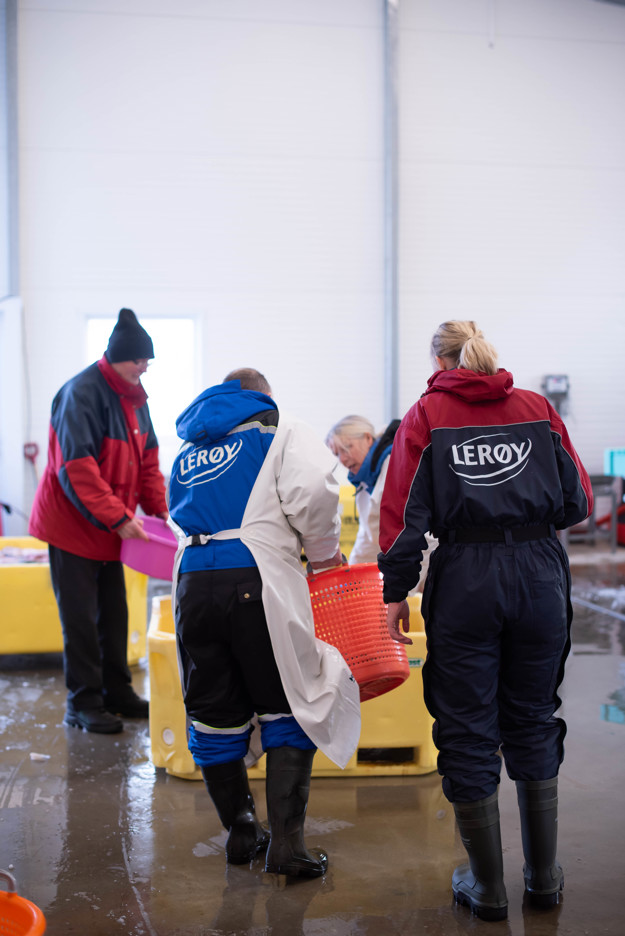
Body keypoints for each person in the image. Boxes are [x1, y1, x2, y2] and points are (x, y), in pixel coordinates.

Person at [377, 321, 593, 922]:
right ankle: (544, 880)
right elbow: (577, 498)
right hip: (539, 572)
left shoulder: (427, 416)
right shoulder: (536, 408)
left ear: (438, 359)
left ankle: (488, 887)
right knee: (531, 714)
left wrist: (396, 592)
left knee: (468, 723)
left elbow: (401, 515)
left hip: (467, 575)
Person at [168, 367, 360, 879]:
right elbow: (316, 493)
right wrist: (322, 555)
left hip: (191, 581)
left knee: (213, 709)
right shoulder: (274, 425)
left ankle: (241, 831)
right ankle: (288, 849)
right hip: (255, 579)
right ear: (262, 396)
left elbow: (178, 512)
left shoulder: (189, 445)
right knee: (289, 701)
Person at [29, 308, 169, 734]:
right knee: (81, 619)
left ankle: (117, 692)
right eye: (138, 360)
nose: (144, 367)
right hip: (72, 526)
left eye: (148, 361)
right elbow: (76, 468)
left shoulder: (136, 398)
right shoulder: (81, 394)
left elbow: (148, 463)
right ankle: (83, 702)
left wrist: (160, 512)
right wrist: (119, 516)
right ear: (116, 357)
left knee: (114, 612)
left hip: (112, 529)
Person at [326, 415, 435, 588]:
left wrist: (402, 592)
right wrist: (348, 583)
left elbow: (421, 537)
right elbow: (369, 538)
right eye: (337, 453)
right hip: (413, 569)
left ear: (368, 438)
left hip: (433, 565)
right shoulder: (365, 482)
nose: (343, 459)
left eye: (347, 448)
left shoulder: (395, 466)